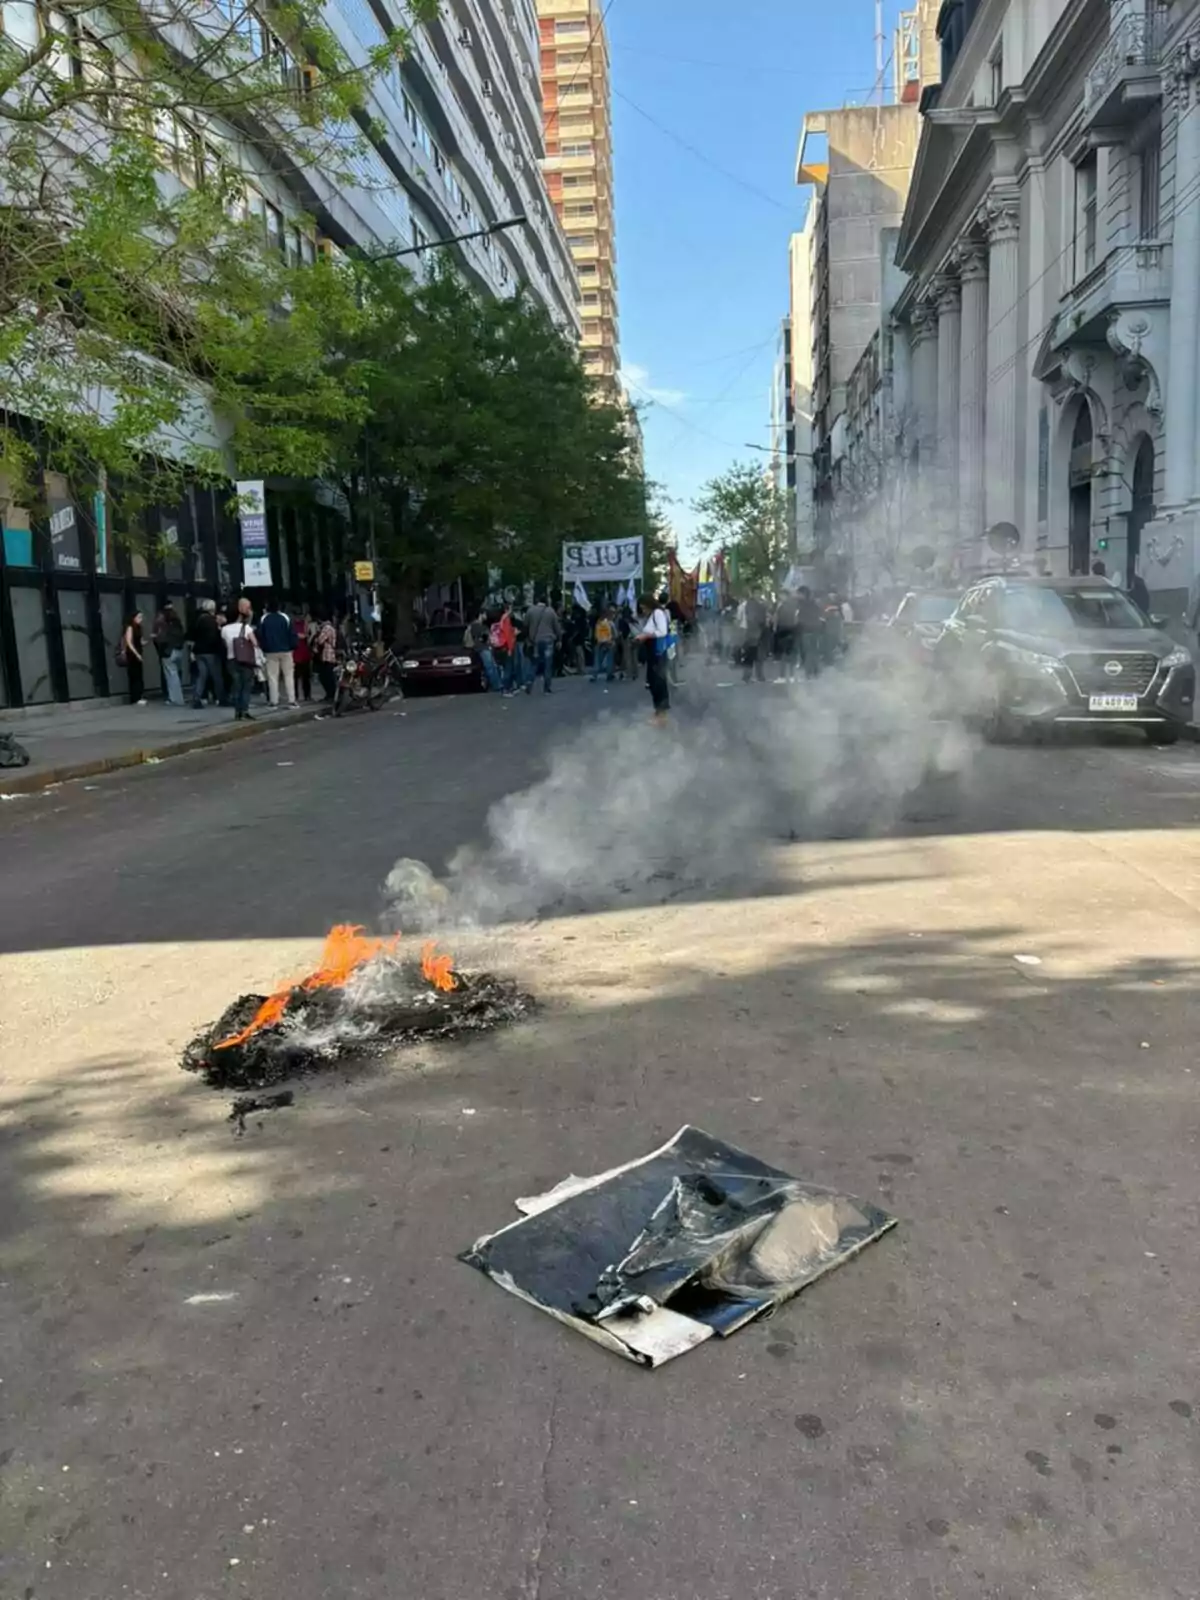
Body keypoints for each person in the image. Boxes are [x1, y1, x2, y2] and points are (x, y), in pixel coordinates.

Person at [221, 598, 260, 720]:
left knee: (236, 685)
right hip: (245, 660)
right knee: (246, 686)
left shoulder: (224, 629)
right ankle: (245, 710)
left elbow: (224, 644)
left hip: (231, 660)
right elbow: (255, 643)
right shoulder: (246, 628)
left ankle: (237, 712)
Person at [637, 592, 671, 720]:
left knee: (658, 683)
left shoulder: (657, 613)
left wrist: (645, 636)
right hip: (652, 653)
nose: (642, 610)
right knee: (653, 682)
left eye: (643, 607)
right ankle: (659, 713)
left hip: (657, 652)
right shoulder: (653, 615)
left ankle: (661, 715)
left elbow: (662, 632)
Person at [257, 597, 296, 708]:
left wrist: (264, 647)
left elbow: (260, 634)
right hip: (286, 650)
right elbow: (291, 633)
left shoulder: (264, 618)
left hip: (270, 651)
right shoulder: (285, 618)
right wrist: (292, 646)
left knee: (272, 676)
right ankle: (291, 700)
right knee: (289, 675)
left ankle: (274, 701)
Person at [189, 599, 223, 708]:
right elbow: (214, 637)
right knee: (216, 675)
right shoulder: (212, 621)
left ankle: (196, 698)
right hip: (211, 651)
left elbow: (192, 635)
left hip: (199, 651)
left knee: (201, 676)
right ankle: (221, 698)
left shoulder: (198, 619)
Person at [524, 594, 561, 694]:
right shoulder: (551, 611)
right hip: (548, 640)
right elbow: (557, 627)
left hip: (535, 640)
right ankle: (546, 688)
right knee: (547, 664)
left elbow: (525, 626)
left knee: (534, 663)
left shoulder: (530, 610)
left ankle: (529, 683)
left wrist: (529, 638)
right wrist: (559, 639)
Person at [152, 601, 186, 706]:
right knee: (177, 674)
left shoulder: (162, 622)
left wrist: (155, 639)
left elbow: (160, 638)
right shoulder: (177, 621)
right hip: (178, 649)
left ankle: (174, 698)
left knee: (171, 675)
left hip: (168, 651)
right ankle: (179, 697)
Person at [738, 593, 768, 683]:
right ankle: (752, 676)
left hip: (754, 632)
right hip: (753, 633)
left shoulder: (755, 605)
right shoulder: (751, 606)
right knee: (753, 655)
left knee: (755, 655)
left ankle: (752, 676)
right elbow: (753, 619)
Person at [796, 586, 824, 678]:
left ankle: (809, 672)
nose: (797, 595)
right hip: (815, 630)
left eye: (799, 594)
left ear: (804, 594)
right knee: (814, 651)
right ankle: (816, 671)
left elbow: (800, 619)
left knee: (807, 651)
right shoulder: (815, 604)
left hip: (806, 631)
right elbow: (819, 617)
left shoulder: (802, 605)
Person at [120, 609, 146, 705]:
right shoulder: (130, 627)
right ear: (133, 618)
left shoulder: (139, 627)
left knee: (138, 675)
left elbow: (140, 641)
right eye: (139, 617)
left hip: (138, 652)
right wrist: (136, 654)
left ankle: (138, 695)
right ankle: (135, 697)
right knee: (134, 675)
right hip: (132, 654)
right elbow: (129, 642)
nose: (141, 619)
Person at [312, 610, 339, 701]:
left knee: (326, 676)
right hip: (328, 655)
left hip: (327, 655)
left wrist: (317, 635)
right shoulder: (329, 627)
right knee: (326, 676)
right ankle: (330, 695)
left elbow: (320, 640)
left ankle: (331, 694)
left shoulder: (326, 628)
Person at [773, 589, 799, 682]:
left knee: (784, 655)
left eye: (782, 595)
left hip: (784, 630)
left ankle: (782, 676)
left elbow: (776, 617)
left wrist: (775, 628)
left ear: (786, 596)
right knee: (790, 654)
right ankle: (791, 676)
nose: (781, 597)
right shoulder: (794, 605)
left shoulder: (782, 605)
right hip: (791, 630)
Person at [491, 606, 516, 694]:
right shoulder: (506, 620)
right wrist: (510, 648)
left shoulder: (498, 621)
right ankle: (506, 689)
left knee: (504, 668)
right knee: (508, 668)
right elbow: (507, 635)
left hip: (498, 647)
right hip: (505, 646)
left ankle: (506, 687)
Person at [292, 607, 313, 702]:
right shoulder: (291, 625)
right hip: (296, 654)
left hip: (304, 654)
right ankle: (295, 695)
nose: (298, 617)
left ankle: (307, 695)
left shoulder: (305, 625)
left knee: (306, 677)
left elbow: (309, 635)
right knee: (295, 677)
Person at [591, 605, 616, 683]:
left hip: (600, 643)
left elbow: (595, 633)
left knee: (598, 659)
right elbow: (615, 633)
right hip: (609, 643)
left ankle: (595, 675)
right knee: (609, 659)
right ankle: (609, 675)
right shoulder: (610, 623)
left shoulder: (598, 623)